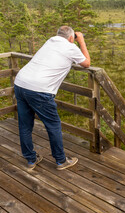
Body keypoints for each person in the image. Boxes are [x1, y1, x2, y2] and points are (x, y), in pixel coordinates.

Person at [14, 26, 90, 170]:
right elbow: (86, 63)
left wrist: (74, 39)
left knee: (24, 125)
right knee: (53, 125)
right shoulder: (70, 46)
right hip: (39, 89)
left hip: (20, 83)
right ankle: (61, 161)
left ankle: (31, 160)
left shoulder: (50, 41)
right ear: (71, 38)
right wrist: (81, 41)